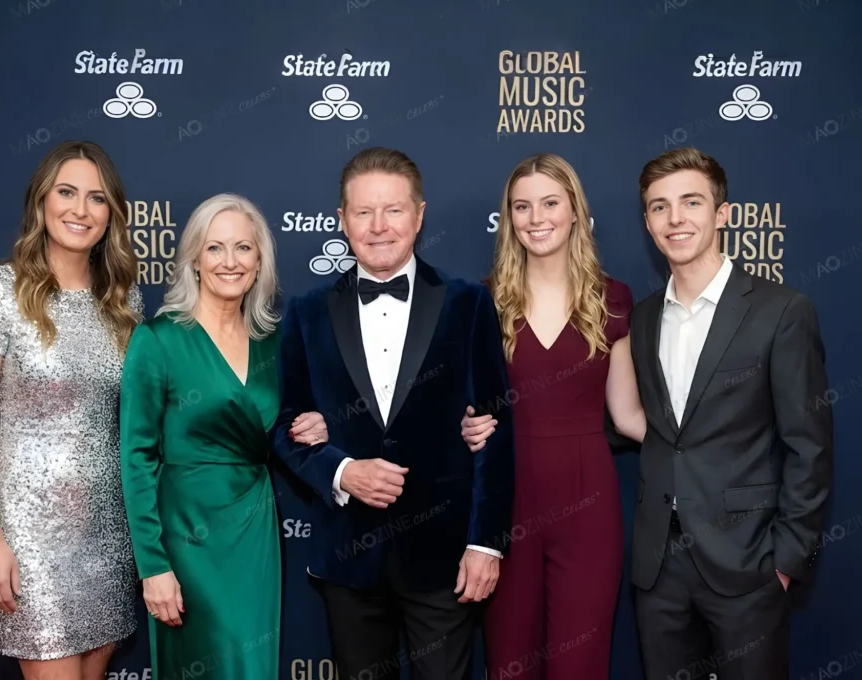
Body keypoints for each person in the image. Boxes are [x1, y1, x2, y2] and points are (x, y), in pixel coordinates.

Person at [270, 147, 515, 680]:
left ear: (419, 216)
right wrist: (342, 470)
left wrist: (485, 543)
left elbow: (496, 431)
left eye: (394, 210)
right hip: (349, 557)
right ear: (342, 220)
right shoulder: (307, 312)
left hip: (445, 558)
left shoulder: (469, 303)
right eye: (364, 212)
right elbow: (284, 428)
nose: (379, 226)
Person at [629, 147, 833, 680]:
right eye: (659, 207)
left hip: (748, 563)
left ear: (721, 213)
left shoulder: (782, 311)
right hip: (658, 567)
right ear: (647, 222)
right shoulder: (644, 317)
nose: (675, 218)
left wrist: (785, 561)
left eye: (691, 202)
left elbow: (809, 445)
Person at [118, 193, 329, 680]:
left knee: (251, 666)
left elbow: (283, 428)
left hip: (253, 529)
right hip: (186, 534)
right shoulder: (159, 339)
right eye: (215, 248)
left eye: (243, 248)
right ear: (194, 259)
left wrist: (316, 426)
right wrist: (153, 566)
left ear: (259, 262)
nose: (229, 261)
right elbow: (136, 458)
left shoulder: (273, 343)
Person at [0, 140, 141, 678]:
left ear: (112, 214)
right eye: (66, 193)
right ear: (41, 201)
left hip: (109, 532)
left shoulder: (124, 302)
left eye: (97, 198)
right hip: (29, 535)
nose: (81, 210)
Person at [460, 153, 646, 679]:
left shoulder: (612, 299)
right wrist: (465, 426)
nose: (536, 218)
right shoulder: (482, 301)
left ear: (575, 212)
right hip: (506, 504)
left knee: (579, 664)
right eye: (522, 206)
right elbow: (464, 408)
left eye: (549, 203)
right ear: (509, 218)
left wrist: (707, 445)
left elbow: (628, 415)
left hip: (589, 504)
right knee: (509, 663)